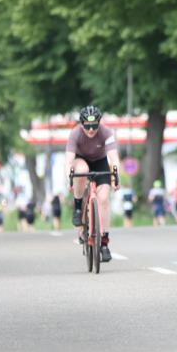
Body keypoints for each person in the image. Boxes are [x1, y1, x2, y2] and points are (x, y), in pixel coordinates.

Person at [65, 105, 120, 262]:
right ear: (81, 124)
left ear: (99, 123)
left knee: (103, 198)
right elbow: (68, 161)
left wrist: (116, 176)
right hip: (80, 160)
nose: (90, 130)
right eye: (87, 126)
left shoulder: (106, 132)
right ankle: (77, 208)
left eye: (94, 125)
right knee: (82, 169)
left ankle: (104, 242)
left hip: (100, 162)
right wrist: (69, 178)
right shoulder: (75, 133)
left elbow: (114, 158)